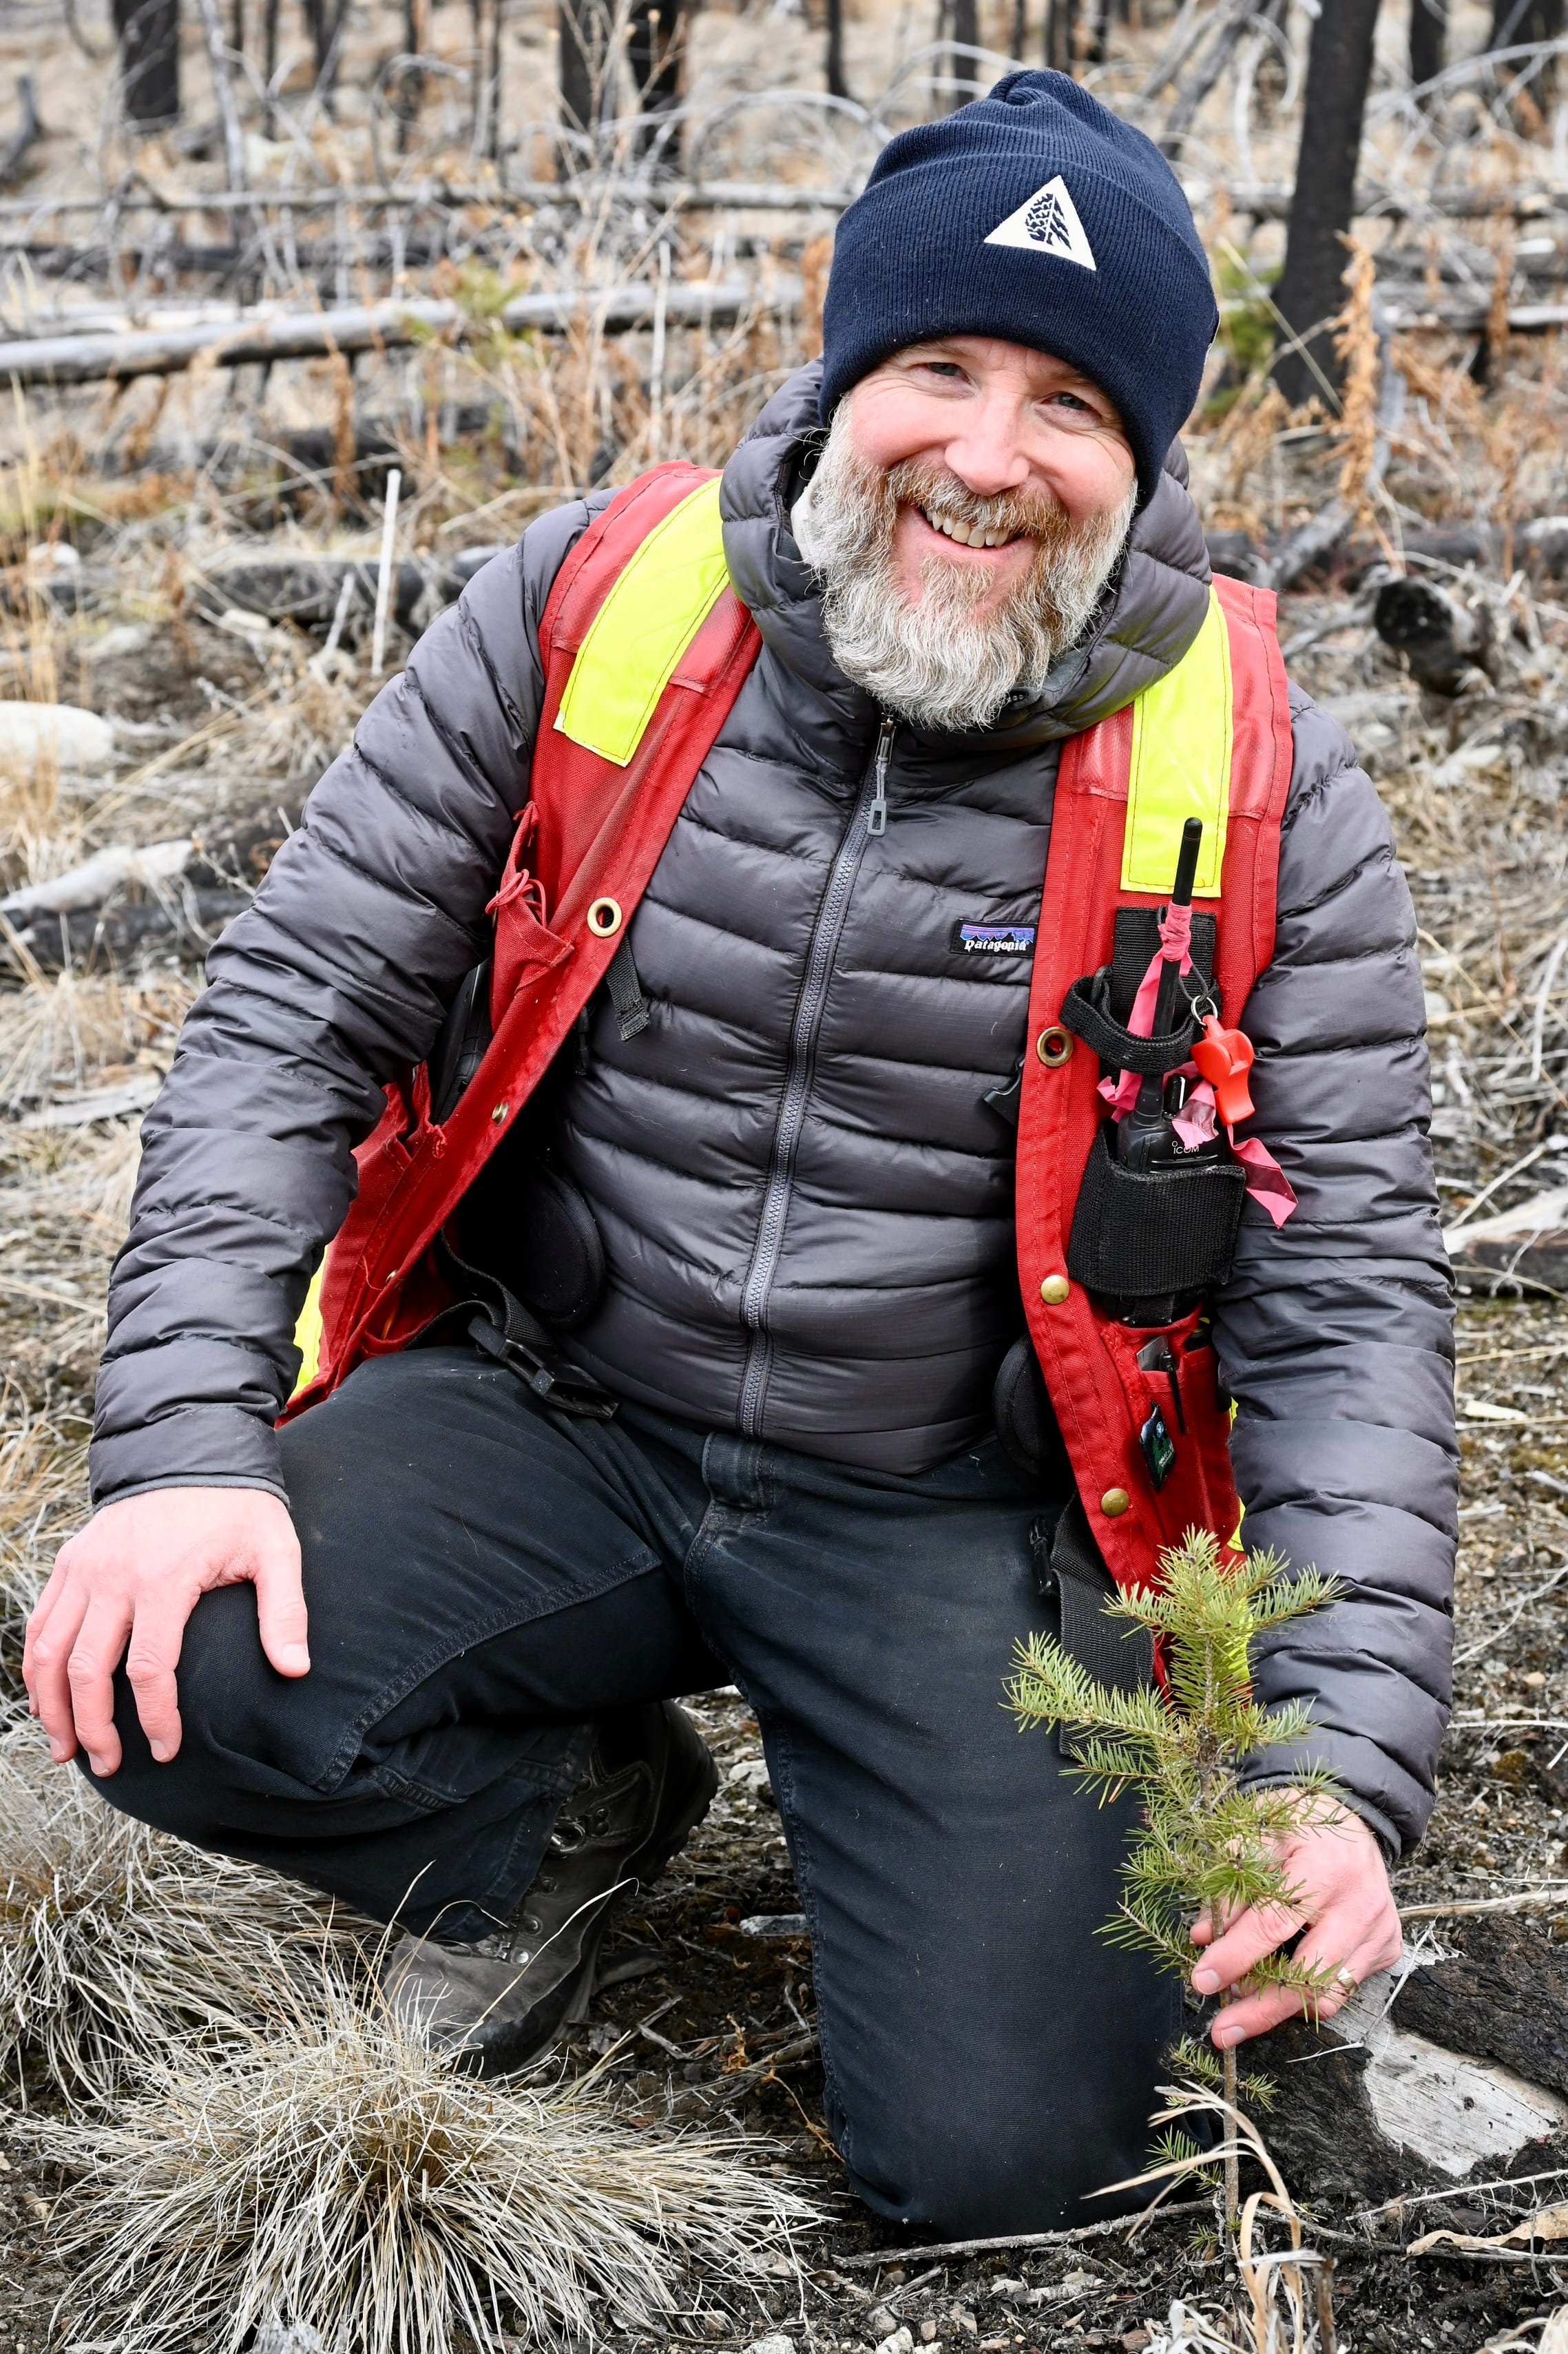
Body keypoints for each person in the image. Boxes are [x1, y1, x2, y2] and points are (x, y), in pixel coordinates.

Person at [23, 72, 1452, 2236]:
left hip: (958, 1511)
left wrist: (1335, 1766)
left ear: (1143, 459)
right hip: (561, 1409)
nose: (989, 452)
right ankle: (562, 1813)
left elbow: (1347, 1294)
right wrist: (184, 1454)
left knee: (1014, 2164)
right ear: (842, 371)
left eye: (1070, 401)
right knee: (168, 1670)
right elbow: (288, 1011)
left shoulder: (1257, 771)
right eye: (939, 367)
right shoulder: (602, 601)